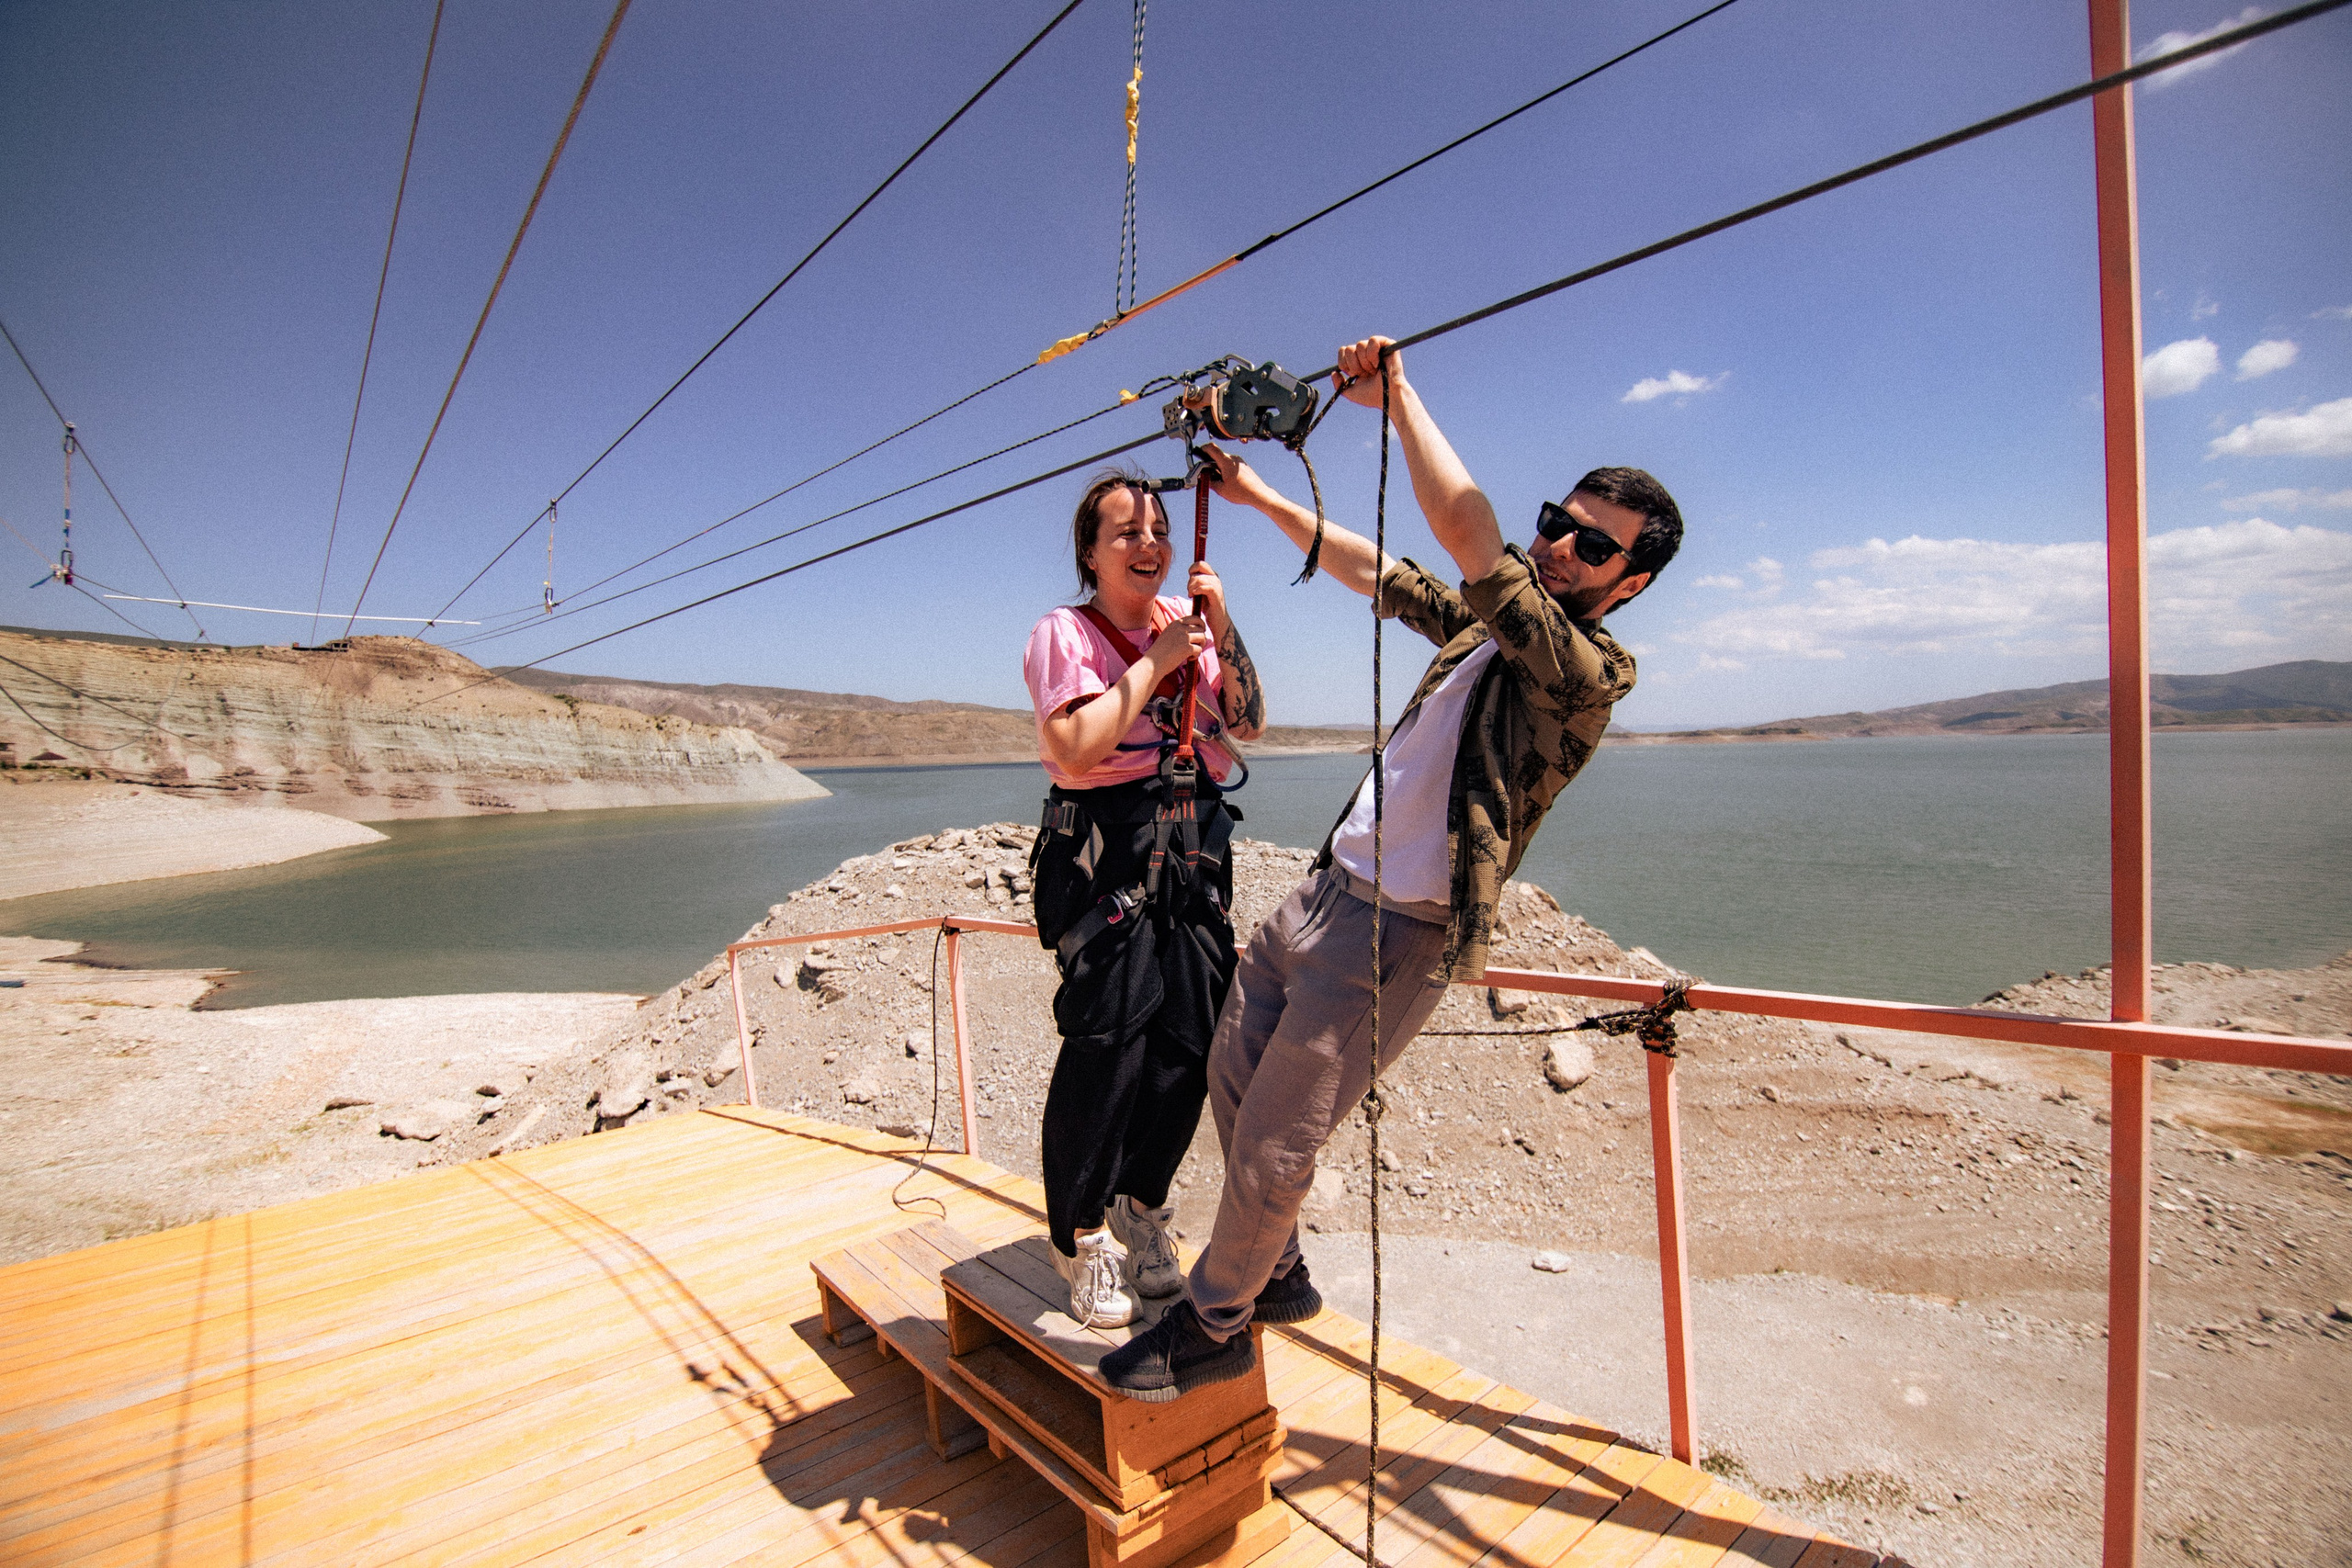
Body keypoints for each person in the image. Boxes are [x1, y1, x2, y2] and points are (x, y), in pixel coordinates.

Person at [1099, 337, 1684, 1401]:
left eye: (1588, 547)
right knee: (1234, 1087)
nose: (1555, 547)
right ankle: (1272, 1276)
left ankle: (1216, 1324)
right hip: (1325, 893)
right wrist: (1258, 491)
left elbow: (1464, 534)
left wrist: (1398, 399)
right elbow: (1377, 567)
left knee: (1279, 1143)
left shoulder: (1582, 673)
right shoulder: (1484, 629)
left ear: (1630, 582)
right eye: (1554, 524)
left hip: (1395, 930)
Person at [1022, 468, 1269, 1329]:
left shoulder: (1185, 623)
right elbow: (1077, 748)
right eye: (1125, 531)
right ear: (1090, 552)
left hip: (1190, 842)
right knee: (1109, 1044)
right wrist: (1161, 661)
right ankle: (1081, 1234)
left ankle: (1141, 1204)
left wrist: (1220, 630)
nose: (1150, 544)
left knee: (1190, 1043)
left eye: (1159, 529)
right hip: (1108, 846)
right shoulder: (1067, 633)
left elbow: (1250, 718)